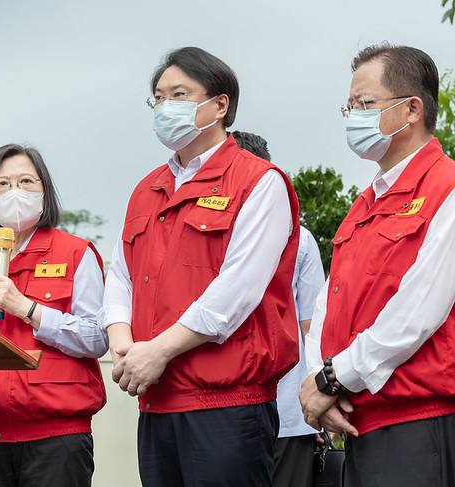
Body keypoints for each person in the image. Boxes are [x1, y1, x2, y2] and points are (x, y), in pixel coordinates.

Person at [104, 47, 300, 487]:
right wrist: (123, 343)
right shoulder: (146, 190)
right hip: (157, 400)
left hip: (226, 404)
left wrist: (159, 351)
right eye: (158, 98)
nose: (165, 107)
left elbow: (238, 289)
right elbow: (120, 275)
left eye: (179, 95)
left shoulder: (258, 181)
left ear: (220, 104)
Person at [301, 44, 455, 487]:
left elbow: (416, 313)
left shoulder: (446, 188)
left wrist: (333, 379)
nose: (353, 116)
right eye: (350, 106)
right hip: (361, 421)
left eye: (365, 104)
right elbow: (330, 301)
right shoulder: (366, 203)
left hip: (416, 424)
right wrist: (318, 379)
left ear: (412, 109)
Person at [0, 143, 107, 487]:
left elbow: (97, 337)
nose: (14, 191)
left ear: (45, 191)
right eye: (2, 184)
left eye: (26, 181)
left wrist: (29, 309)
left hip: (55, 437)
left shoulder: (76, 253)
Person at [233, 131, 325, 487]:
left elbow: (312, 328)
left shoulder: (300, 239)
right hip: (228, 408)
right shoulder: (206, 234)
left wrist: (318, 400)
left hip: (287, 410)